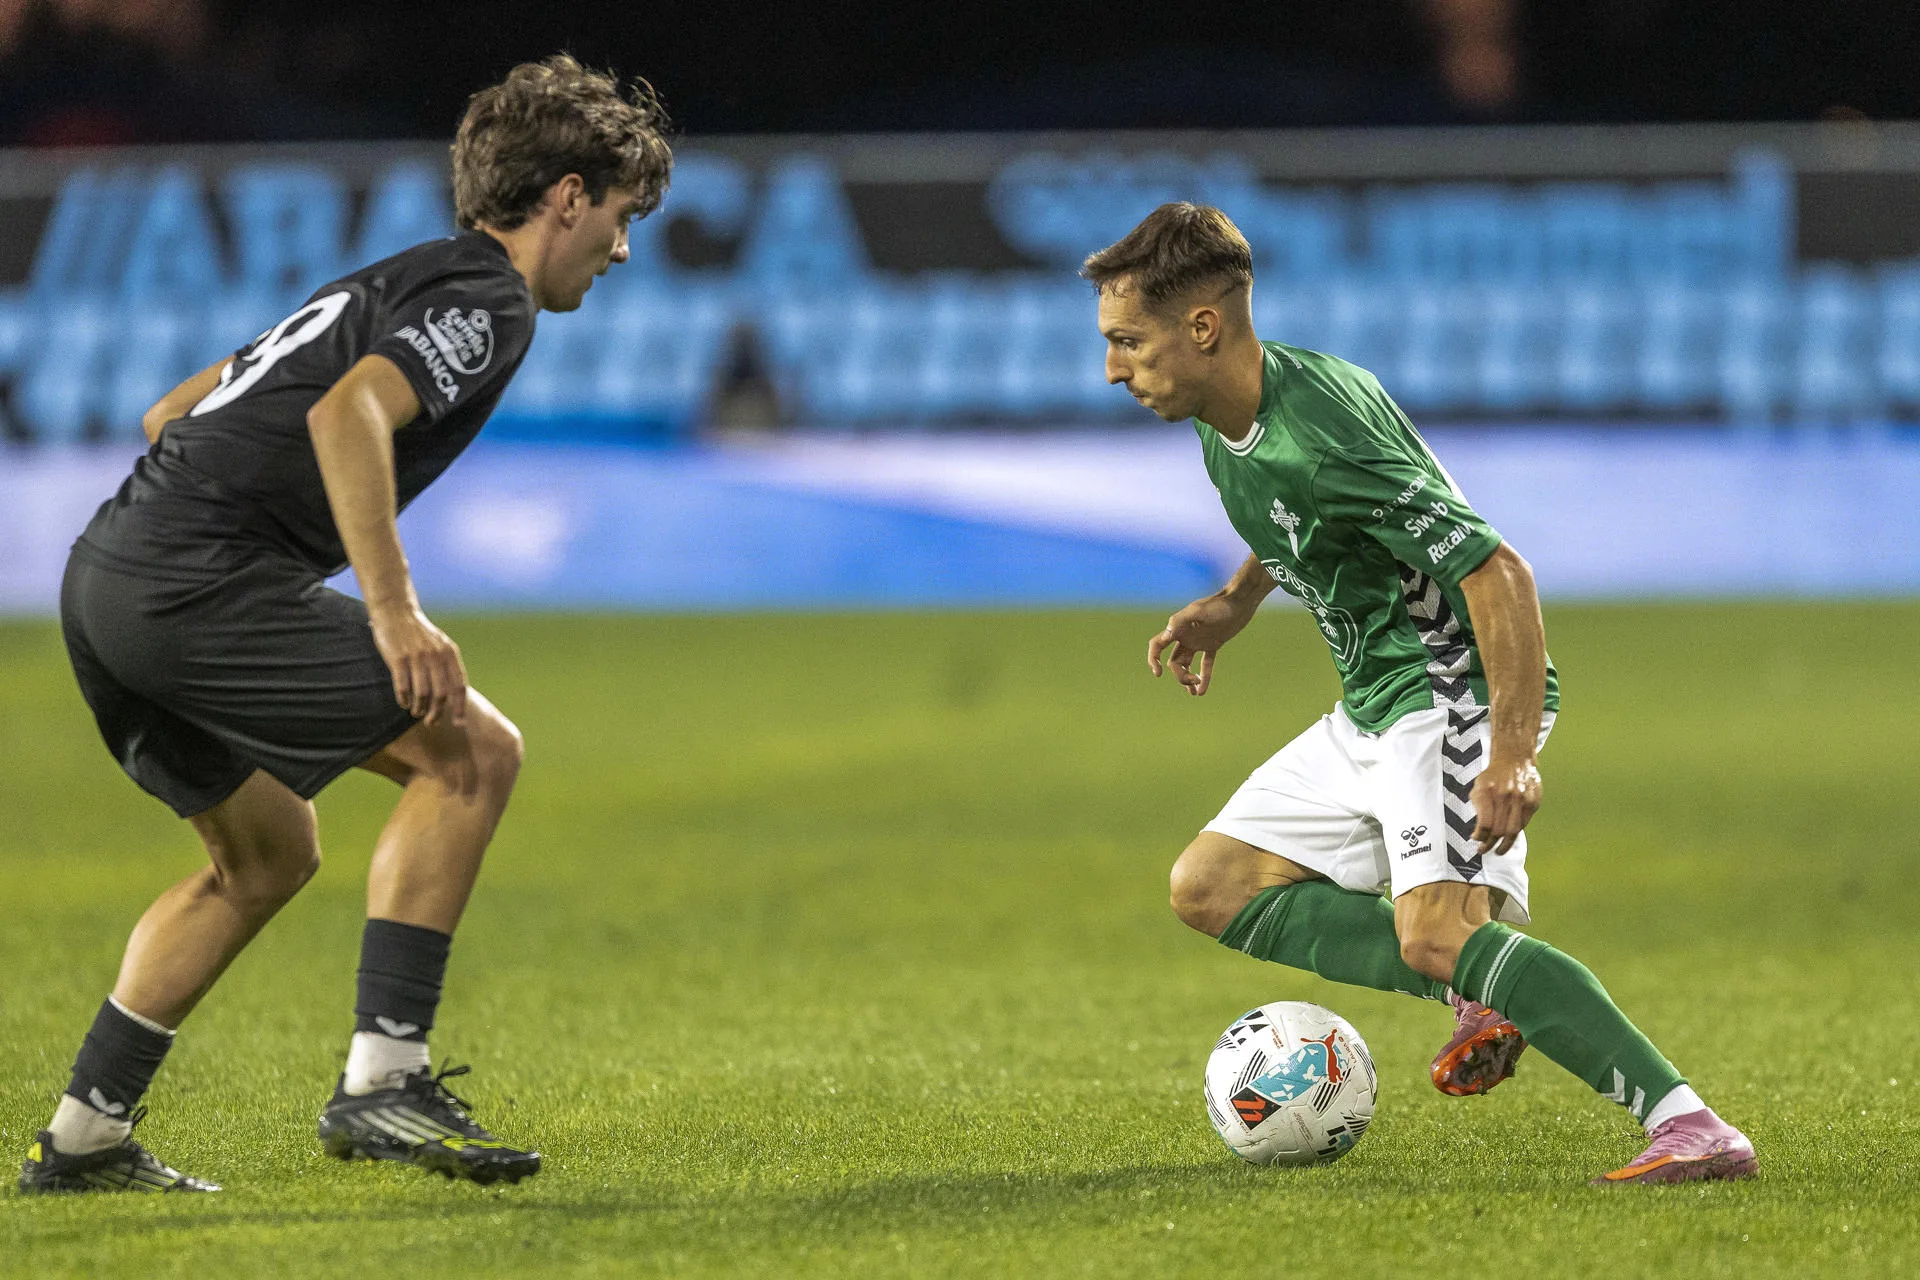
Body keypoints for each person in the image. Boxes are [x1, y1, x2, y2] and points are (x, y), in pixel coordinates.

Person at [18, 54, 672, 1194]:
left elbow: (172, 412)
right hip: (191, 583)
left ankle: (84, 1136)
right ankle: (385, 1077)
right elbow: (349, 411)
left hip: (107, 578)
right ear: (568, 196)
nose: (619, 250)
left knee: (267, 854)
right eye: (620, 218)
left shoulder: (397, 277)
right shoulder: (491, 297)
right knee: (472, 754)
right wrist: (393, 609)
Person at [1086, 202, 1756, 1187]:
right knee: (1211, 885)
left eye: (1128, 341)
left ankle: (1689, 1123)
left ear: (1203, 327)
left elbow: (1499, 571)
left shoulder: (1323, 433)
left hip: (1447, 690)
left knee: (1437, 933)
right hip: (1374, 697)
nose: (1113, 368)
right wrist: (1234, 602)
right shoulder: (1236, 412)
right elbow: (1299, 518)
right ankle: (1479, 981)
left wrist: (1511, 752)